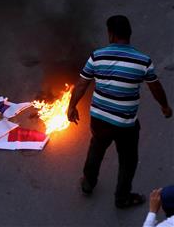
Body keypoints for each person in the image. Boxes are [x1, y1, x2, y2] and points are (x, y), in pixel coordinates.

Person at [67, 15, 172, 208]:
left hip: (99, 119)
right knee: (128, 160)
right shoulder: (143, 61)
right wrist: (165, 107)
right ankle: (122, 198)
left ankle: (88, 182)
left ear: (111, 34)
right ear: (129, 34)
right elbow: (155, 88)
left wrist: (71, 106)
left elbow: (82, 83)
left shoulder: (97, 56)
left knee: (96, 148)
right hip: (125, 123)